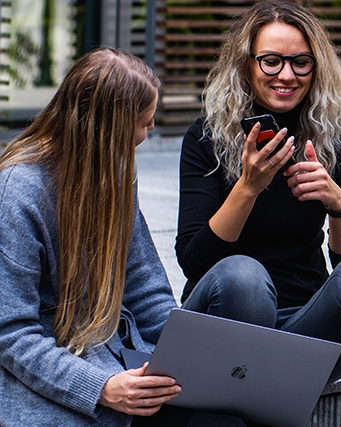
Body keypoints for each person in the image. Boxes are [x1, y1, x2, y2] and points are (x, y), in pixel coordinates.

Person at [174, 1, 341, 425]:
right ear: (247, 64)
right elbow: (193, 260)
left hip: (302, 332)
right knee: (244, 275)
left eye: (300, 63)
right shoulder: (207, 137)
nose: (286, 75)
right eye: (272, 61)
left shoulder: (337, 137)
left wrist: (337, 203)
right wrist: (248, 186)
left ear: (317, 68)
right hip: (226, 324)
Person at [0, 48, 244, 426]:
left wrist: (184, 358)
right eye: (143, 123)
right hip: (57, 373)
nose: (147, 134)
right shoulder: (18, 192)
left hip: (120, 354)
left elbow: (144, 284)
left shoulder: (112, 172)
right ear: (107, 128)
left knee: (224, 417)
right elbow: (11, 333)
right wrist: (101, 387)